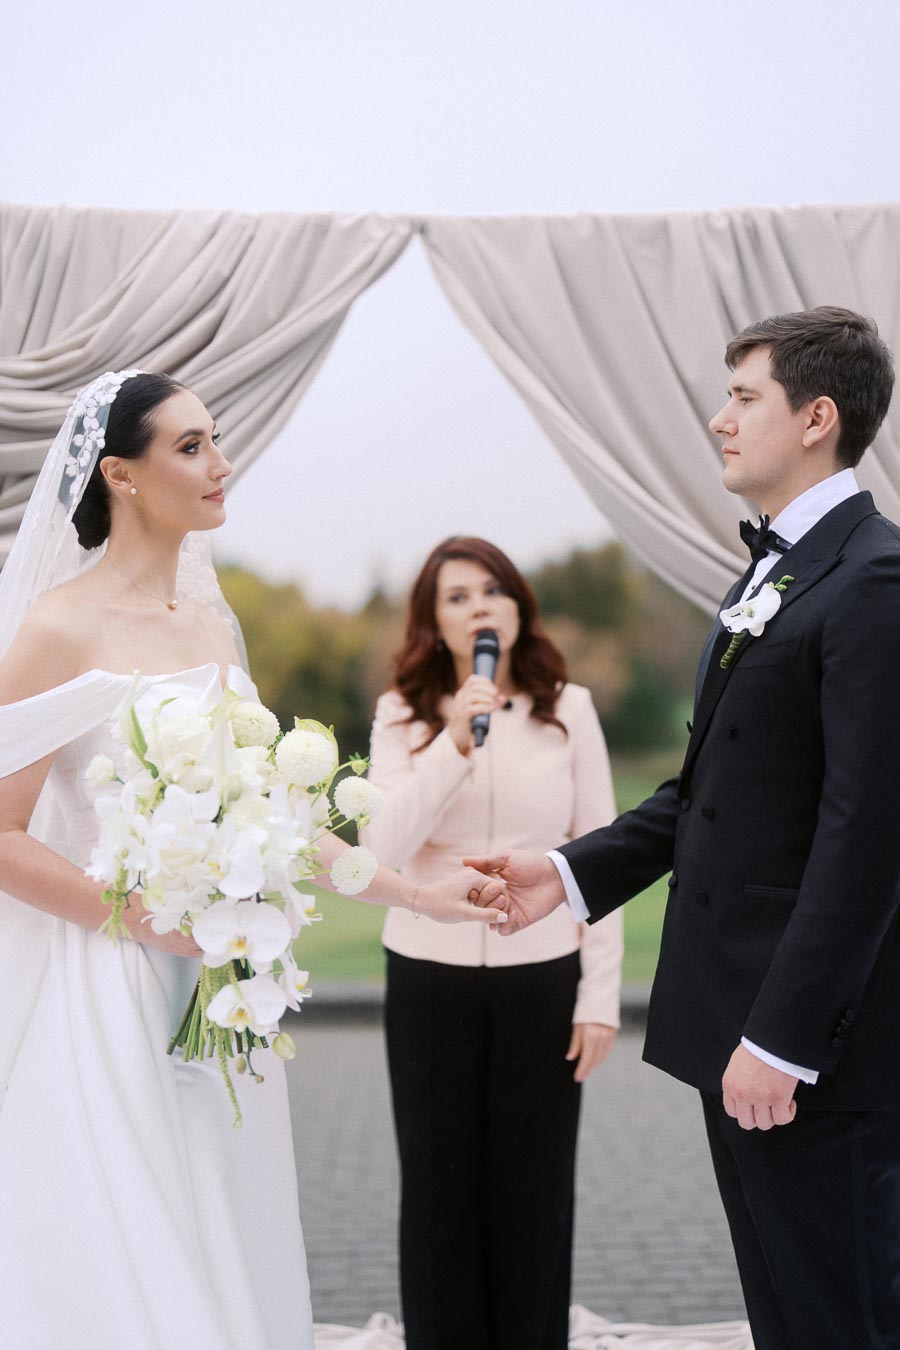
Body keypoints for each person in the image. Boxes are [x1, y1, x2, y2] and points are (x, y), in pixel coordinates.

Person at [0, 371, 507, 1350]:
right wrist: (138, 915)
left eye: (217, 439)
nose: (221, 463)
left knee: (222, 1223)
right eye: (191, 446)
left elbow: (271, 813)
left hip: (217, 979)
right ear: (122, 475)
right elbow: (1, 837)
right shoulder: (57, 628)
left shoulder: (211, 627)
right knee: (132, 1245)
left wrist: (418, 896)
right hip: (105, 983)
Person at [470, 307, 900, 1350]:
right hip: (740, 1024)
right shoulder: (773, 573)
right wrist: (569, 875)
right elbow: (713, 789)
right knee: (789, 1315)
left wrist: (785, 1040)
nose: (718, 420)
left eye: (744, 396)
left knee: (846, 1318)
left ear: (818, 417)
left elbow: (868, 838)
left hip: (815, 1053)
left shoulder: (876, 581)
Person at [361, 536, 624, 1350]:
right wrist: (453, 742)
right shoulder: (401, 716)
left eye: (493, 591)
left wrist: (599, 998)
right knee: (440, 1197)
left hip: (541, 979)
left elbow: (601, 856)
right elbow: (384, 845)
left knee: (533, 1191)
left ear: (516, 609)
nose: (479, 606)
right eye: (457, 596)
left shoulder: (568, 709)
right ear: (435, 624)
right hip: (428, 975)